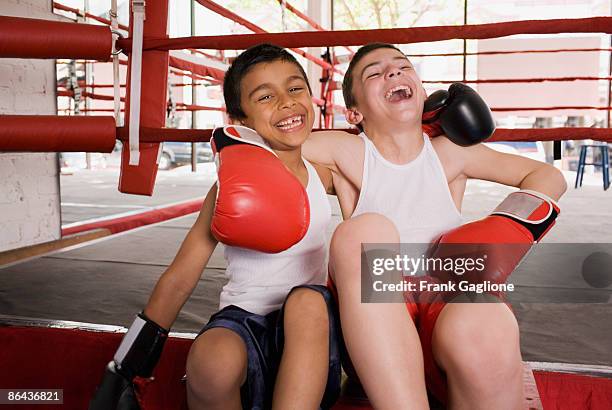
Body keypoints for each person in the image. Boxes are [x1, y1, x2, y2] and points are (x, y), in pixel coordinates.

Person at [303, 42, 567, 409]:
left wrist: (505, 229)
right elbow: (276, 152)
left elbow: (545, 175)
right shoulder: (344, 151)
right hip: (378, 321)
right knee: (361, 235)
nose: (393, 72)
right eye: (375, 73)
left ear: (424, 94)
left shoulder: (450, 152)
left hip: (446, 296)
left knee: (484, 319)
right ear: (355, 114)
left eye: (402, 66)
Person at [89, 43, 341, 410]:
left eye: (294, 88)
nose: (286, 102)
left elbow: (373, 219)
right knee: (211, 358)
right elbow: (181, 276)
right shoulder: (230, 188)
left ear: (311, 96)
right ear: (240, 121)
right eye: (265, 96)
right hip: (244, 321)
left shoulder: (325, 176)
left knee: (306, 302)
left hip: (312, 333)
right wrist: (126, 365)